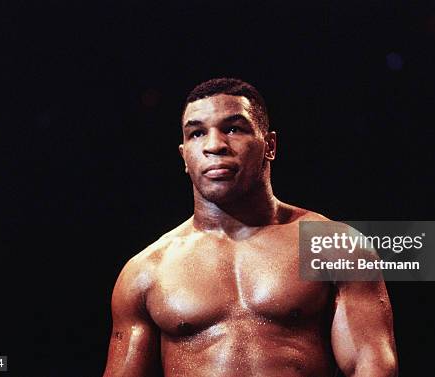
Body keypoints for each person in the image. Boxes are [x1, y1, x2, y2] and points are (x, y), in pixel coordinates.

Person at [103, 78, 397, 377]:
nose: (214, 145)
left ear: (269, 145)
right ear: (184, 158)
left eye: (233, 128)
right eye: (196, 133)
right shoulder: (147, 271)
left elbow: (373, 365)